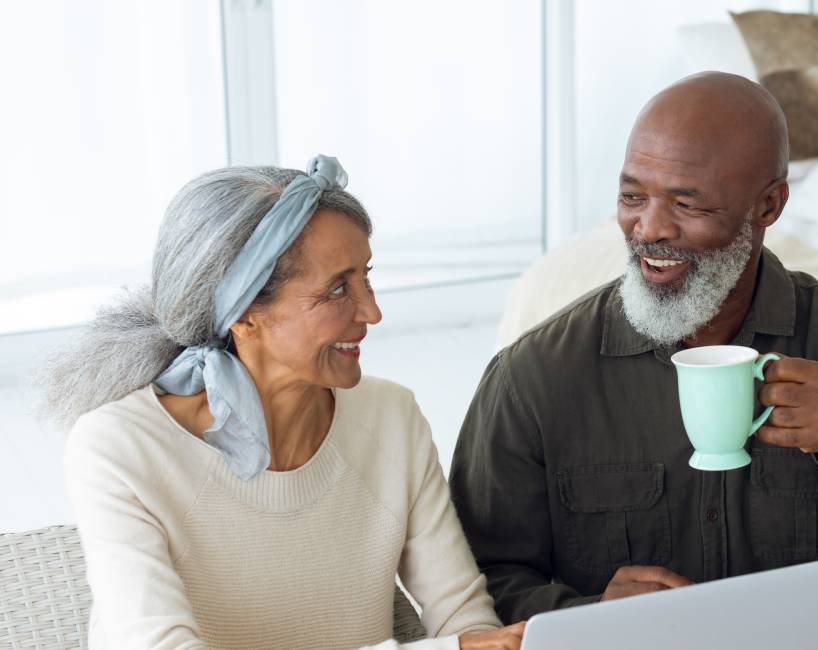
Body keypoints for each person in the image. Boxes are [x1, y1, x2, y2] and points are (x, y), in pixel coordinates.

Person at [451, 73, 818, 624]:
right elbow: (470, 594)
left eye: (687, 205)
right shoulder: (533, 377)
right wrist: (588, 616)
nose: (648, 229)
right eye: (631, 196)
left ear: (768, 206)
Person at [42, 157, 524, 649]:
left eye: (365, 277)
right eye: (338, 288)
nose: (372, 311)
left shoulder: (391, 417)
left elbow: (464, 619)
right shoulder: (119, 447)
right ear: (244, 313)